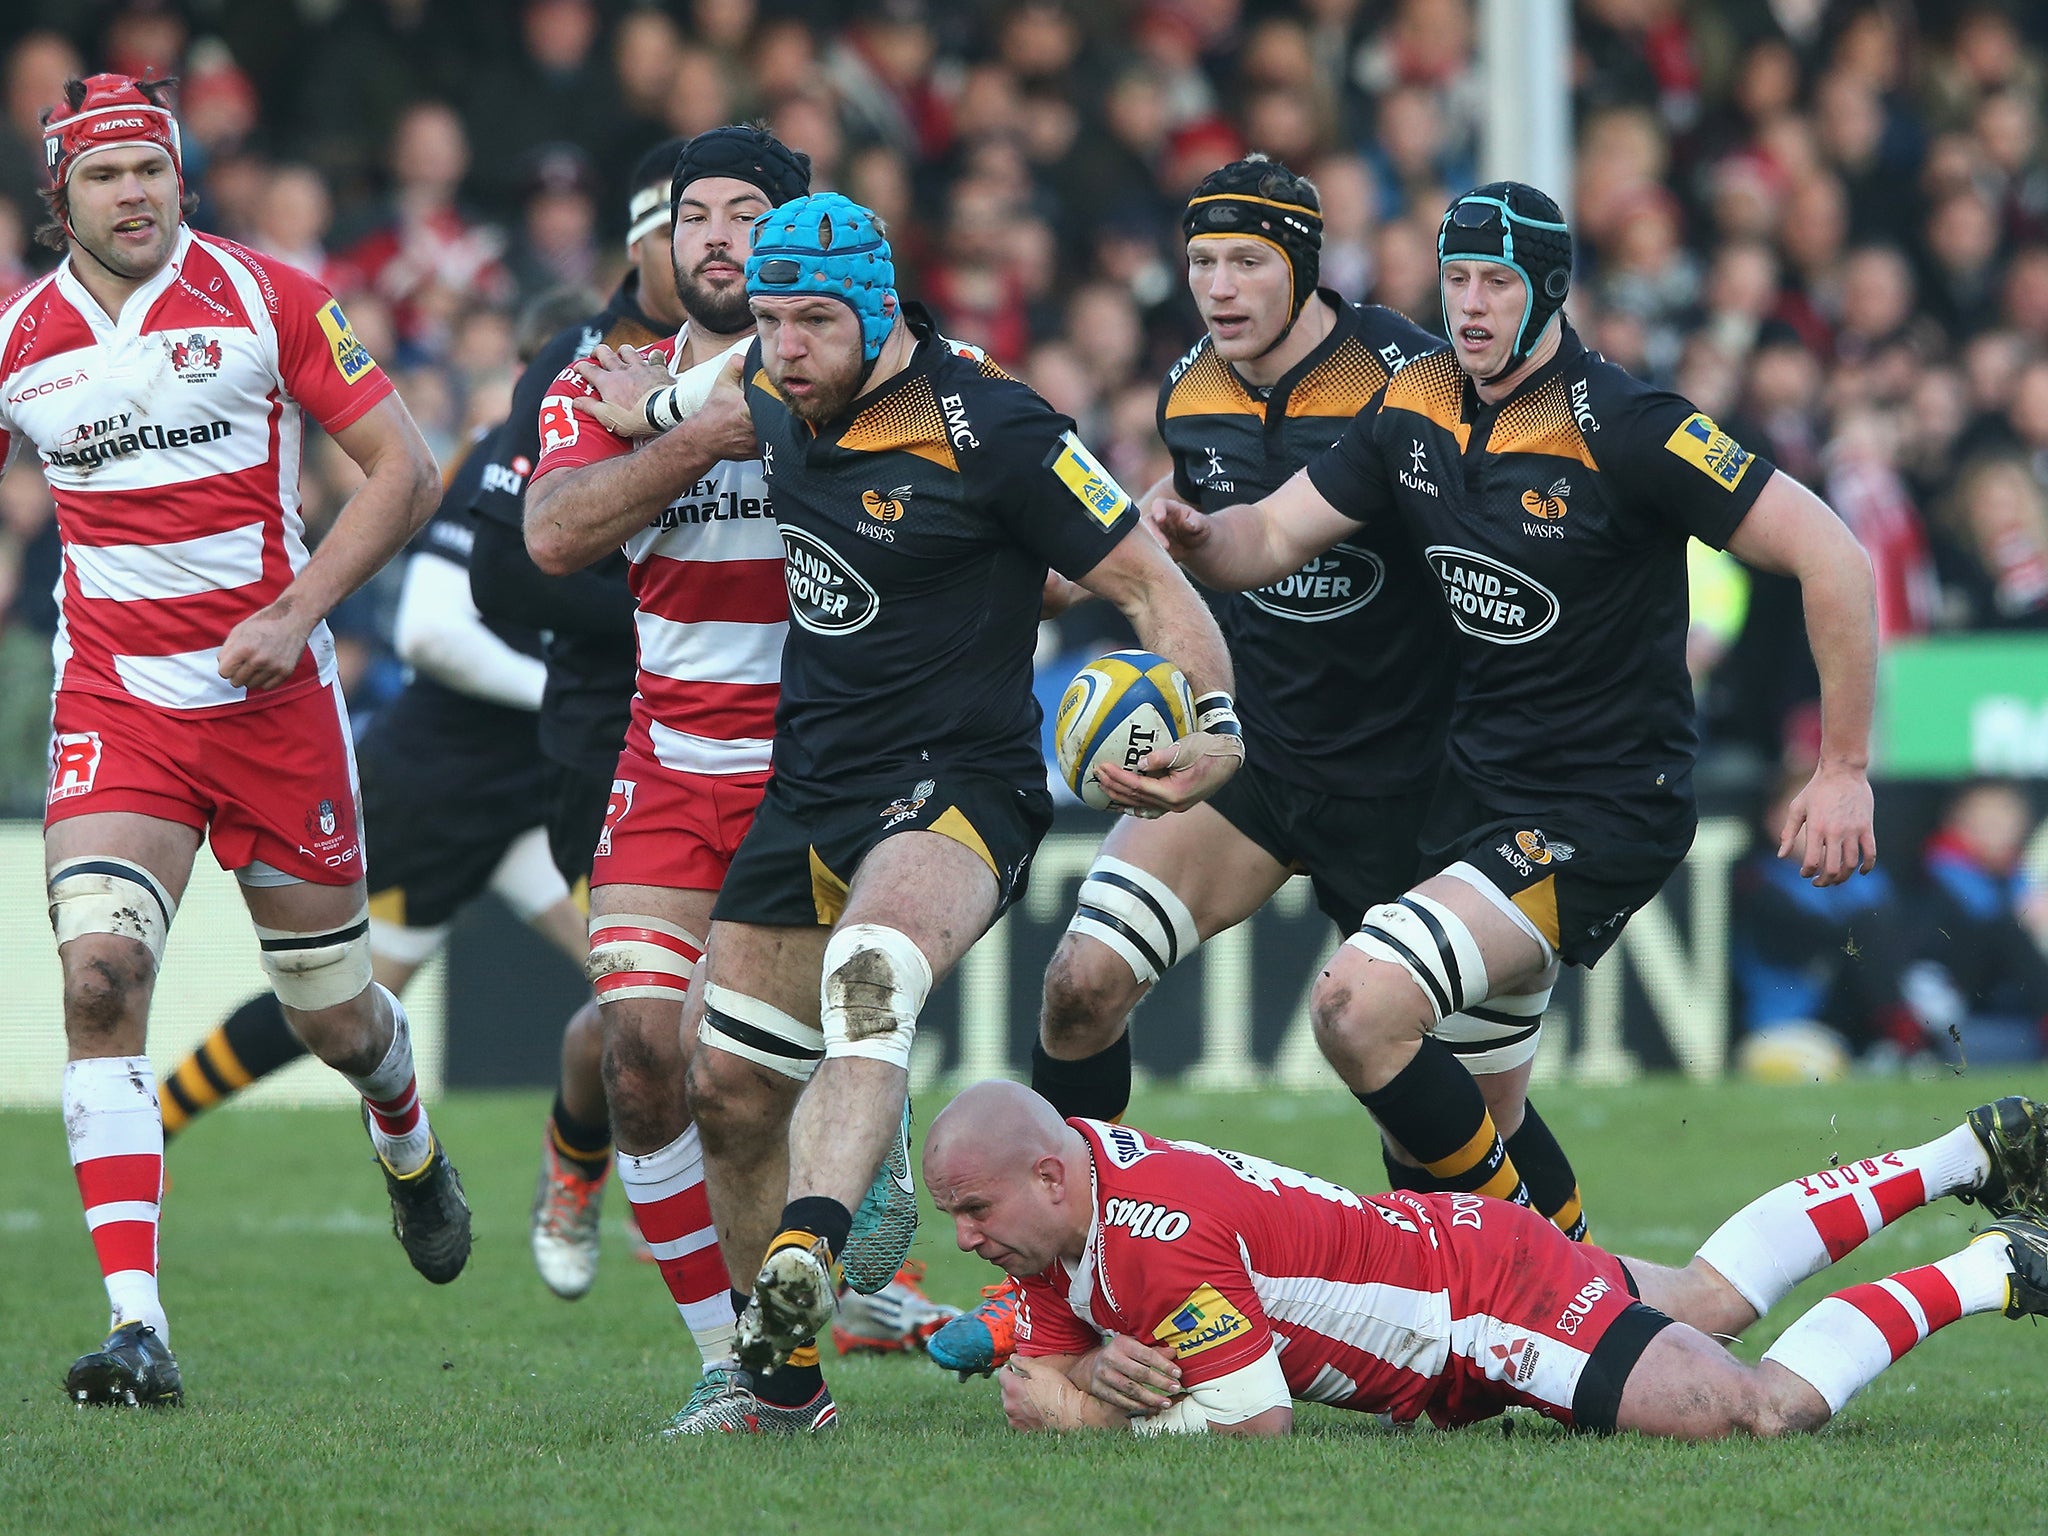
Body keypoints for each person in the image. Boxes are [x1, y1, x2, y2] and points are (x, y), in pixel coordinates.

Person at [1147, 182, 1881, 1263]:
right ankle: (1596, 1315)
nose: (1470, 306)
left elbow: (1833, 554)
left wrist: (1842, 767)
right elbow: (1268, 537)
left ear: (1547, 292)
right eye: (1454, 280)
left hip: (1598, 805)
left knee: (1358, 1005)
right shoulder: (1414, 406)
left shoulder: (1628, 427)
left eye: (1495, 283)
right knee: (1443, 1144)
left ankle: (1544, 1288)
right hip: (1473, 796)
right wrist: (1198, 535)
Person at [930, 156, 1578, 1375]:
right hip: (1260, 761)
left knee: (1455, 1152)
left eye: (1246, 262)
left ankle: (1593, 1303)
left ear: (1304, 265)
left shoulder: (1418, 381)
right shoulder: (1191, 394)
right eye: (1200, 264)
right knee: (1078, 982)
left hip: (1433, 788)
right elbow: (1172, 532)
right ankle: (1061, 1295)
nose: (1219, 289)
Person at [623, 191, 1243, 1431]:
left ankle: (816, 1242)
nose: (782, 347)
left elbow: (1149, 587)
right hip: (809, 790)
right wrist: (629, 403)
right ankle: (782, 1385)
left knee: (867, 973)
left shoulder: (998, 425)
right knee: (729, 1091)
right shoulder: (767, 383)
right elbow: (678, 399)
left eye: (809, 322)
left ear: (874, 309)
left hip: (960, 781)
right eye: (766, 321)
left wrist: (1213, 728)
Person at [1, 74, 449, 1408]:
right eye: (104, 174)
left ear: (184, 180)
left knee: (333, 1018)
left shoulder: (272, 296)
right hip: (119, 709)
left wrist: (296, 608)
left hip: (274, 711)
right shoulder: (21, 343)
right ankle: (138, 1327)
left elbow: (405, 469)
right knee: (98, 981)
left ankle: (406, 1133)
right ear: (58, 199)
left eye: (152, 168)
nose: (132, 191)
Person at [926, 1080, 2048, 1439]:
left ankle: (1991, 1268)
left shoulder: (1150, 1234)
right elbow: (1055, 1347)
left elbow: (1251, 1426)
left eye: (973, 1211)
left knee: (1748, 1410)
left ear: (1047, 1176)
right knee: (1704, 1298)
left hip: (1480, 1305)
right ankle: (1961, 1151)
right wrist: (1076, 1369)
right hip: (1456, 1250)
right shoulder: (1069, 1203)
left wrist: (1089, 1413)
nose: (968, 1239)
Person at [156, 290, 597, 1148]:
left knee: (648, 994)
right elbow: (428, 630)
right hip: (438, 787)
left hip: (531, 791)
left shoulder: (628, 468)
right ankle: (158, 1115)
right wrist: (568, 695)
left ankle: (588, 1177)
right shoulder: (497, 462)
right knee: (333, 1011)